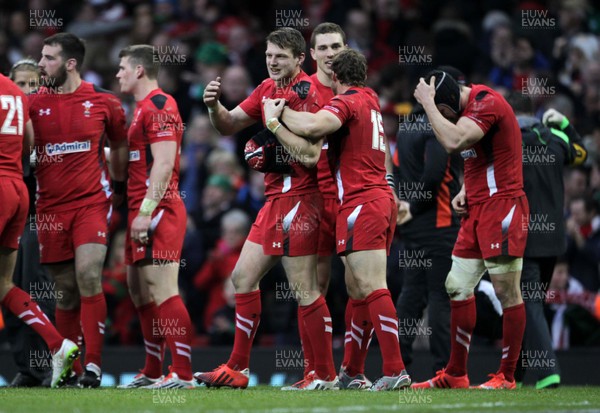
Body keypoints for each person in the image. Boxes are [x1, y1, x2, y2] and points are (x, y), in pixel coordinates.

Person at [195, 27, 338, 390]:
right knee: (242, 278)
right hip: (274, 202)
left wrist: (273, 128)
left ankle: (323, 374)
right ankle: (238, 369)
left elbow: (310, 155)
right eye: (269, 56)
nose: (273, 62)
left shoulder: (313, 93)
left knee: (305, 290)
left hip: (304, 199)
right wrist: (214, 106)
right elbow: (227, 126)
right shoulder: (265, 89)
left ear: (299, 59)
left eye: (281, 57)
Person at [263, 48, 410, 391]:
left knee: (373, 285)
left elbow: (315, 125)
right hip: (376, 200)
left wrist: (275, 117)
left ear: (339, 78)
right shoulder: (371, 97)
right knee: (359, 288)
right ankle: (353, 371)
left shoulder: (347, 102)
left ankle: (396, 369)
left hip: (362, 202)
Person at [411, 70, 528, 389]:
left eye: (441, 110)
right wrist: (465, 190)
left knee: (507, 291)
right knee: (456, 286)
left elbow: (453, 140)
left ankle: (506, 376)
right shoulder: (465, 110)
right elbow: (477, 155)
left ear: (448, 101)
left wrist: (428, 104)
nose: (439, 118)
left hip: (503, 206)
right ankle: (456, 373)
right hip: (477, 209)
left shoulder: (485, 102)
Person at [29, 33, 129, 387]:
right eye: (41, 57)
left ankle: (94, 366)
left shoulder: (104, 102)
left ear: (70, 63)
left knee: (88, 276)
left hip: (91, 202)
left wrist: (118, 186)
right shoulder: (32, 103)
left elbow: (120, 144)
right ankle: (68, 369)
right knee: (66, 290)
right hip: (50, 209)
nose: (41, 65)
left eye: (48, 58)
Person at [115, 44, 194, 389]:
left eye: (122, 68)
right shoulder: (140, 109)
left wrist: (146, 212)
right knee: (139, 292)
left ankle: (184, 373)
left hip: (158, 207)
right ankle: (151, 370)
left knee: (163, 290)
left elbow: (163, 165)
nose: (118, 73)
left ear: (139, 71)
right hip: (138, 207)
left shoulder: (161, 105)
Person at [0, 71, 80, 389]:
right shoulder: (15, 94)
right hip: (19, 190)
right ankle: (58, 345)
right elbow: (30, 142)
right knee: (5, 284)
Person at [507, 92, 587, 389]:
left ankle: (548, 373)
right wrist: (566, 125)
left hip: (524, 236)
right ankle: (515, 373)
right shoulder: (554, 138)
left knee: (529, 305)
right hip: (554, 239)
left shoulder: (508, 140)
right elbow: (582, 154)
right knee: (530, 305)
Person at [394, 67, 464, 375]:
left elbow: (397, 172)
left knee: (411, 294)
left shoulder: (406, 127)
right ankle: (443, 368)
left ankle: (397, 365)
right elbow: (435, 175)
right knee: (440, 295)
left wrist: (404, 206)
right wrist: (415, 206)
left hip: (412, 226)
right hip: (438, 223)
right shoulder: (438, 128)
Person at [3, 59, 55, 387]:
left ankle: (46, 366)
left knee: (38, 286)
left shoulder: (50, 119)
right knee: (8, 289)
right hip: (17, 206)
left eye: (32, 85)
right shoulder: (13, 117)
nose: (26, 91)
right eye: (20, 84)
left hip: (42, 216)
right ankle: (29, 367)